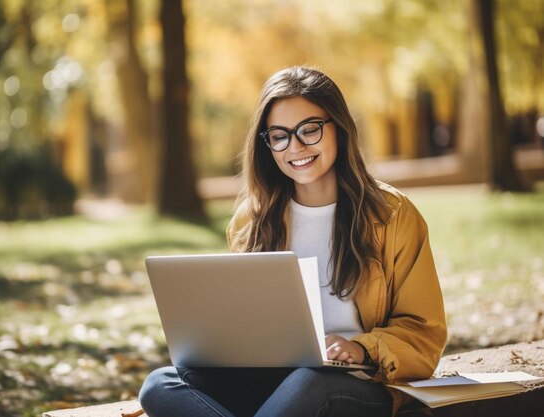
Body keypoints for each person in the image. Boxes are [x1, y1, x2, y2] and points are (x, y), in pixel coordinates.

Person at [138, 66, 447, 417]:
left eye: (309, 130)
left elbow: (424, 333)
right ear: (267, 143)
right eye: (279, 135)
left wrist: (361, 348)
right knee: (161, 383)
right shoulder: (252, 219)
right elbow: (241, 321)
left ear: (339, 128)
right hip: (271, 380)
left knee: (307, 384)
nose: (295, 147)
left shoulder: (391, 215)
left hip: (358, 384)